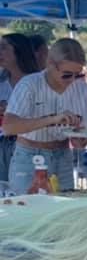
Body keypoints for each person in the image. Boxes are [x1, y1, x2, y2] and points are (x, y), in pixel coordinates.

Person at [3, 37, 87, 193]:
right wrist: (51, 119)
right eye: (66, 74)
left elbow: (84, 130)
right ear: (50, 63)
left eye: (78, 75)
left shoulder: (82, 89)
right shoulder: (29, 84)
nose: (72, 80)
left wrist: (81, 139)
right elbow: (9, 127)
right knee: (28, 206)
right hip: (29, 157)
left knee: (64, 205)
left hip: (63, 156)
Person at [0, 33, 40, 183]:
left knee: (26, 189)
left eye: (3, 47)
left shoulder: (38, 82)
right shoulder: (1, 82)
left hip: (29, 146)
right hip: (2, 145)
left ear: (19, 51)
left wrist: (14, 111)